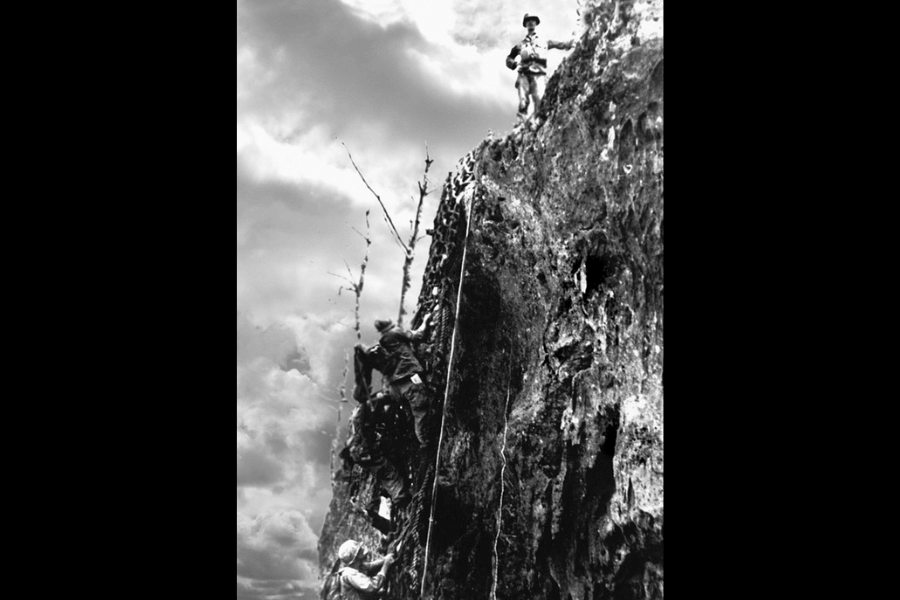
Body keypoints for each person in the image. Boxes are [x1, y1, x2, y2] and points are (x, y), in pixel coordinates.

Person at [372, 315, 431, 448]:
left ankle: (415, 442)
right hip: (408, 380)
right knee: (420, 410)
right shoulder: (395, 332)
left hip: (394, 387)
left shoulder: (382, 344)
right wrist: (426, 320)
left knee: (410, 413)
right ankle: (425, 443)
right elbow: (418, 336)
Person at [505, 13, 574, 123]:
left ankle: (538, 125)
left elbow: (562, 44)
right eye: (528, 21)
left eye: (533, 20)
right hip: (523, 74)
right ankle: (522, 127)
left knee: (540, 100)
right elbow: (509, 58)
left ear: (536, 23)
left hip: (539, 74)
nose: (531, 22)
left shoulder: (545, 41)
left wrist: (574, 41)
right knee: (523, 102)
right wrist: (513, 64)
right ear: (525, 24)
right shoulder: (520, 45)